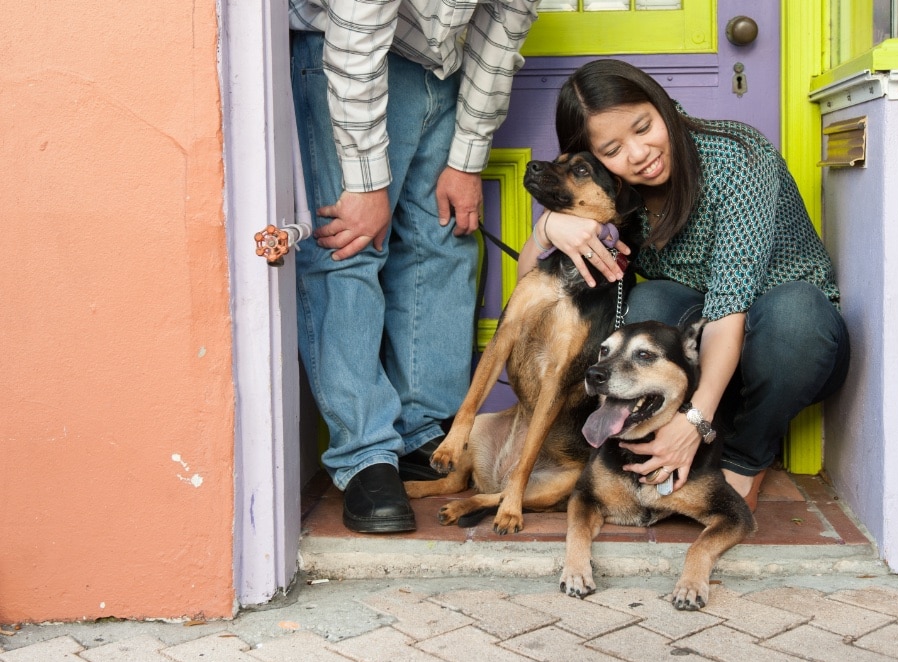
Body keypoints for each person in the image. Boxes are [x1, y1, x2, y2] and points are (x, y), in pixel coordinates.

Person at [518, 59, 850, 511]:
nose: (638, 154)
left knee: (795, 314)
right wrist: (547, 229)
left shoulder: (739, 158)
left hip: (793, 346)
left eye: (643, 127)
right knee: (649, 301)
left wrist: (695, 420)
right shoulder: (614, 196)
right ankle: (668, 443)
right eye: (613, 150)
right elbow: (534, 295)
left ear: (663, 106)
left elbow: (729, 308)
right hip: (701, 349)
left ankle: (744, 457)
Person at [288, 0, 539, 533]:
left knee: (443, 244)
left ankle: (424, 430)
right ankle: (366, 454)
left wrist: (466, 158)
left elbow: (503, 26)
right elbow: (356, 38)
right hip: (348, 59)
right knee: (349, 247)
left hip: (444, 68)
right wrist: (365, 183)